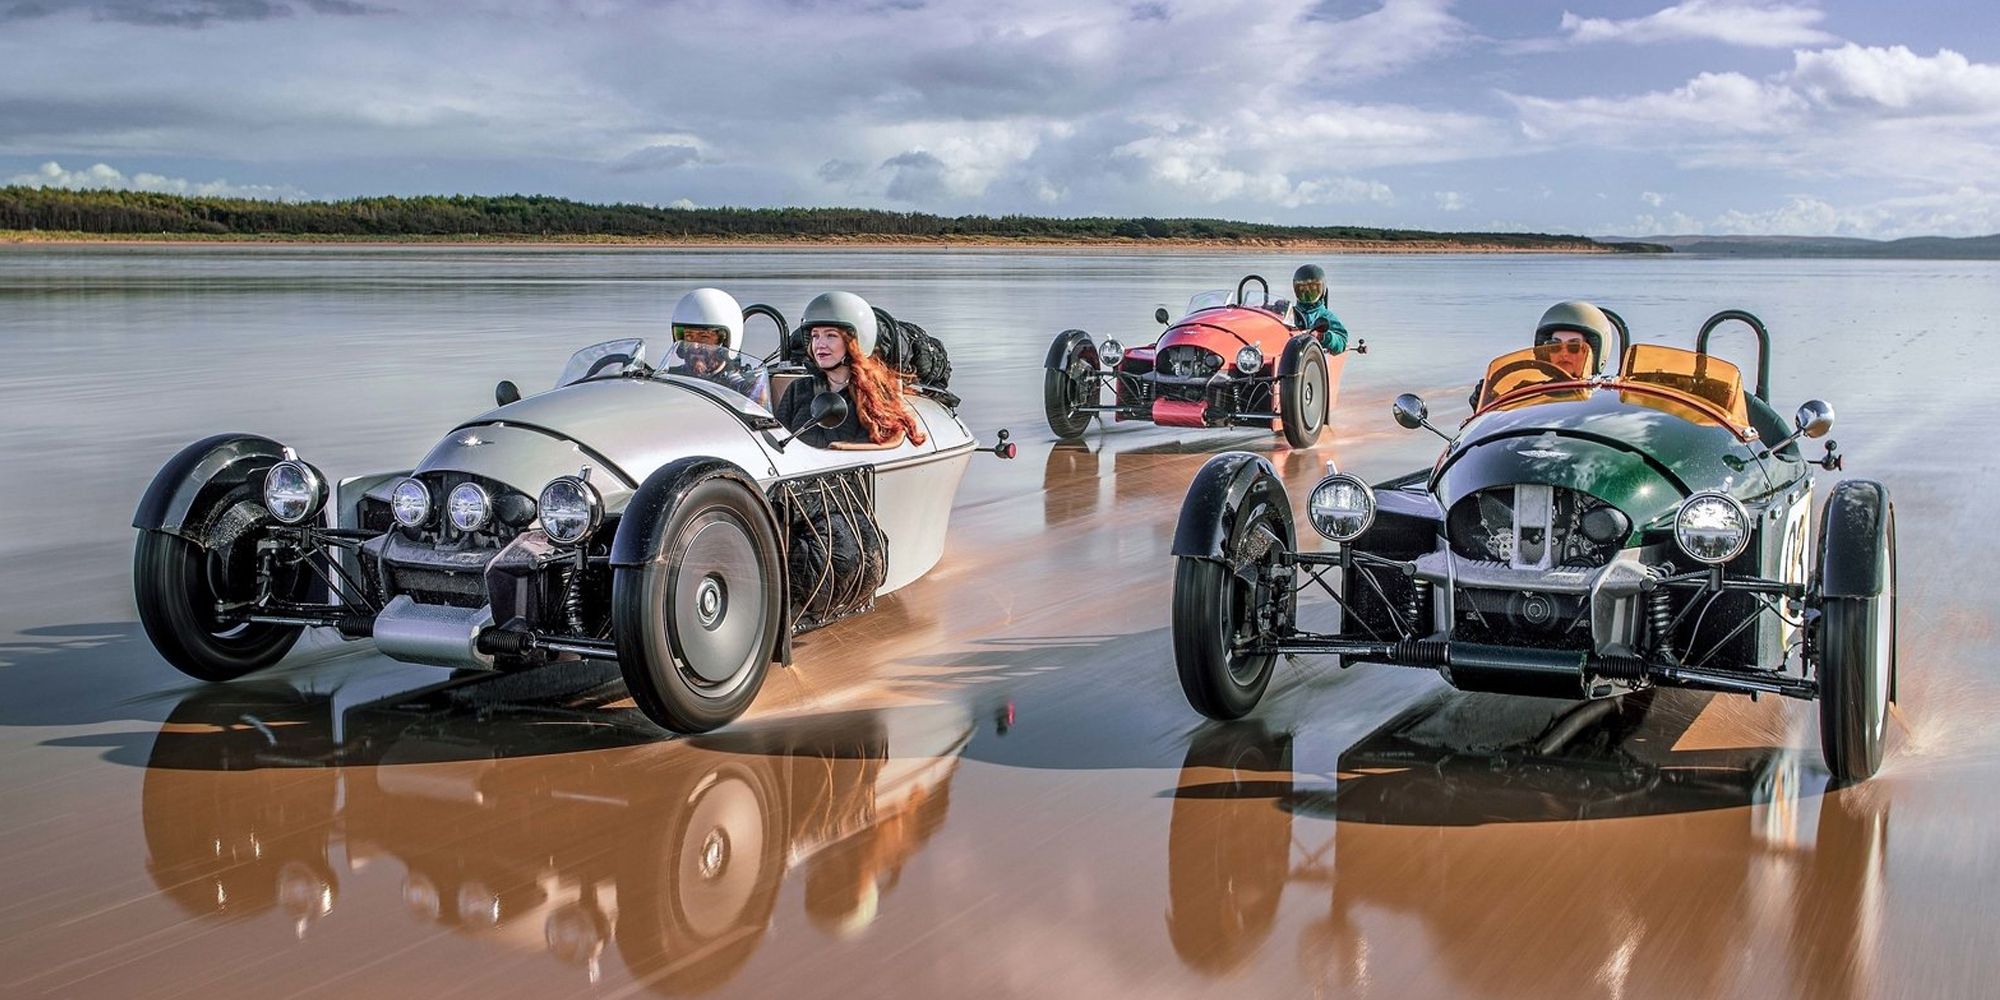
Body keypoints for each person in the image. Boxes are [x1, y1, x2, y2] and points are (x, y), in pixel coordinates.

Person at [774, 291, 928, 451]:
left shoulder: (874, 392)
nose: (820, 344)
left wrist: (841, 448)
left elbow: (892, 440)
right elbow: (776, 439)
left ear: (854, 342)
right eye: (815, 336)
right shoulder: (798, 389)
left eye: (831, 336)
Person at [664, 287, 767, 404]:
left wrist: (755, 399)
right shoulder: (667, 380)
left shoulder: (740, 387)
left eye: (704, 337)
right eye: (689, 337)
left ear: (725, 341)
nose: (695, 346)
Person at [1533, 299, 1617, 379]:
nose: (1564, 354)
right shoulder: (1529, 391)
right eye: (1554, 346)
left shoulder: (1608, 393)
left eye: (1574, 347)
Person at [1288, 264, 1350, 354]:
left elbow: (1342, 342)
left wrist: (1322, 336)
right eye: (1302, 289)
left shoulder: (1326, 316)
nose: (1307, 293)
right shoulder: (1289, 313)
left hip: (1314, 357)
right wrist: (1275, 309)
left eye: (1313, 289)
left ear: (1322, 290)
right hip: (1290, 354)